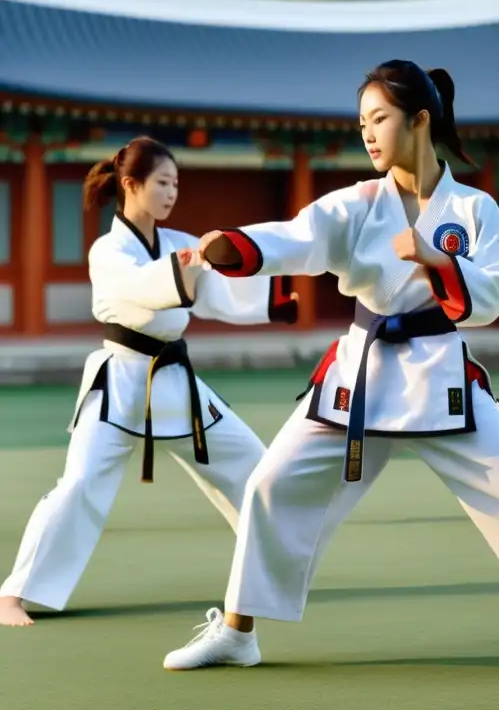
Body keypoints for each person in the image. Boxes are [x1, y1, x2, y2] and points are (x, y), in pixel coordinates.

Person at [161, 60, 499, 682]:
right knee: (273, 484)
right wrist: (235, 247)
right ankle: (238, 632)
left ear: (420, 119)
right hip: (360, 376)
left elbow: (486, 296)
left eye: (379, 119)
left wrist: (435, 262)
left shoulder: (475, 208)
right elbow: (299, 237)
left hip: (442, 379)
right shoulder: (358, 203)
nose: (367, 134)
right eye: (361, 123)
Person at [0, 137, 299, 627]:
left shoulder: (181, 243)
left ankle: (270, 575)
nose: (171, 193)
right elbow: (142, 289)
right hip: (119, 383)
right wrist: (184, 269)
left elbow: (216, 292)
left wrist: (275, 302)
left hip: (175, 383)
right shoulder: (108, 249)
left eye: (176, 184)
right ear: (130, 184)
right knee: (78, 486)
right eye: (162, 182)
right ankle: (14, 594)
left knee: (254, 469)